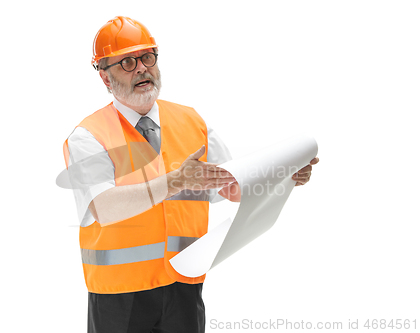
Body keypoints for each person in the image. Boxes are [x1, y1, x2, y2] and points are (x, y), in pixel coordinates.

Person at [62, 16, 319, 333]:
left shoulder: (192, 121)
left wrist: (285, 176)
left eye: (147, 57)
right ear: (104, 76)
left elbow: (231, 184)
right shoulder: (89, 136)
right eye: (127, 62)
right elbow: (104, 207)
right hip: (119, 295)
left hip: (184, 285)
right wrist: (175, 181)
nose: (141, 68)